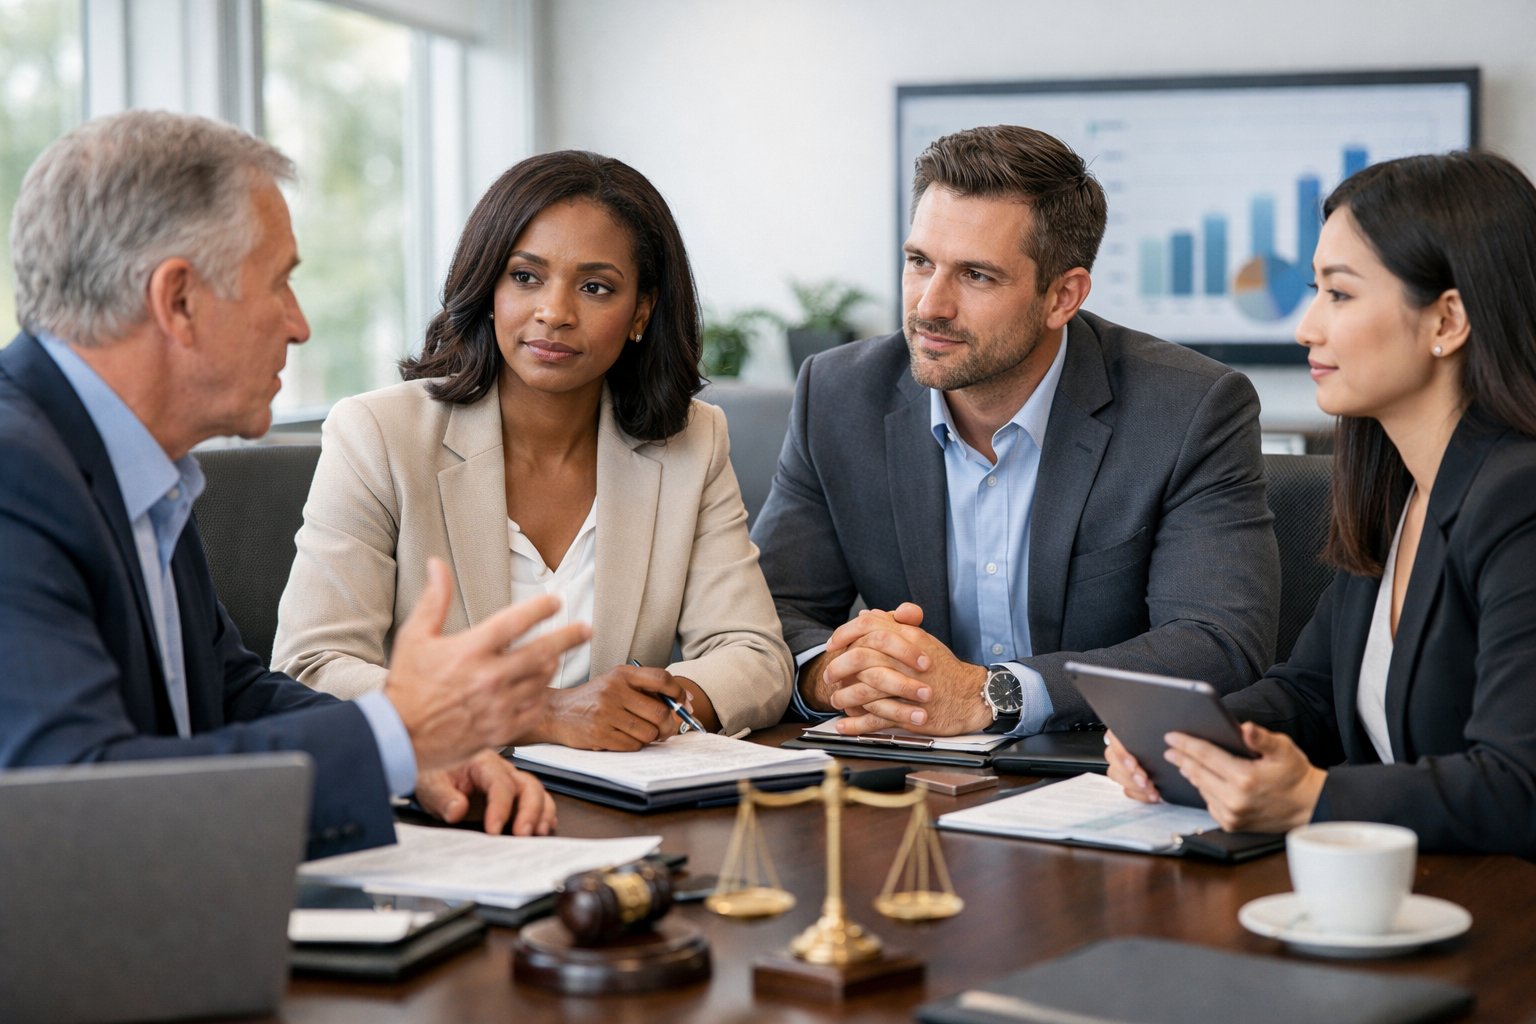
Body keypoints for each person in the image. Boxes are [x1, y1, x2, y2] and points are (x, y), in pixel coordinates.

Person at [0, 111, 587, 859]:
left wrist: (416, 751)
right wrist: (394, 733)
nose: (300, 325)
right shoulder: (16, 477)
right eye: (279, 283)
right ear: (178, 300)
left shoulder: (135, 463)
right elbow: (70, 800)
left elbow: (227, 694)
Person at [753, 124, 1280, 738]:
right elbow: (769, 611)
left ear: (1063, 296)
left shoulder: (1188, 409)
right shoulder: (838, 395)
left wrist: (990, 695)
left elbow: (1217, 642)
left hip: (1099, 766)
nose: (929, 306)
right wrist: (834, 672)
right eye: (920, 262)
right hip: (908, 766)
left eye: (977, 275)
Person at [271, 151, 793, 750]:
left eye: (595, 287)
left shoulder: (691, 443)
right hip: (446, 789)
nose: (554, 312)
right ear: (488, 286)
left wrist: (644, 710)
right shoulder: (378, 434)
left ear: (641, 312)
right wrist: (541, 714)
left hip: (619, 791)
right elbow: (311, 669)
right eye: (525, 277)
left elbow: (754, 654)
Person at [1106, 151, 1536, 857]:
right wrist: (1185, 742)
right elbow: (1311, 693)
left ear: (1447, 320)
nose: (1306, 327)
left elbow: (1520, 786)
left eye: (1339, 294)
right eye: (1316, 291)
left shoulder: (1519, 500)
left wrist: (1314, 797)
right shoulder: (1397, 488)